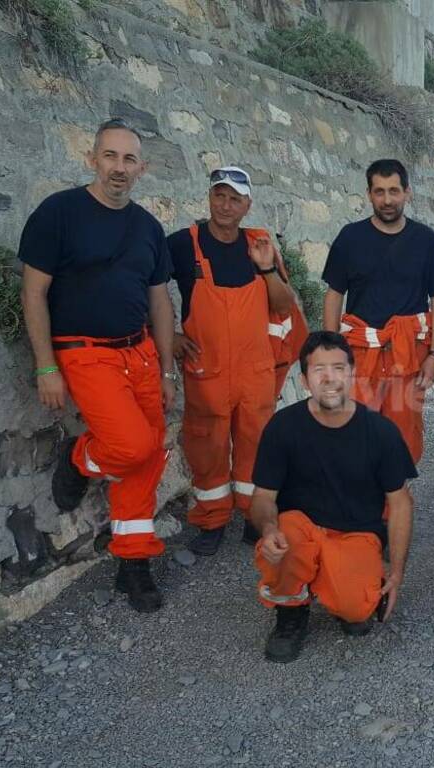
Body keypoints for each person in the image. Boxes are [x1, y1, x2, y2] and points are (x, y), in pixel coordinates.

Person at [19, 118, 175, 613]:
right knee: (132, 446)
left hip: (141, 353)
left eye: (129, 159)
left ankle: (133, 562)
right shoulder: (59, 212)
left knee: (148, 458)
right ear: (92, 158)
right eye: (110, 156)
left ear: (142, 168)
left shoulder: (148, 227)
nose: (119, 168)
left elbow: (160, 304)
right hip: (85, 351)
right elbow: (34, 291)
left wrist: (167, 370)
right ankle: (79, 457)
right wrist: (46, 366)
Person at [251, 332, 417, 663]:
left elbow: (400, 503)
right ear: (303, 380)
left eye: (339, 368)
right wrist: (268, 530)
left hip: (356, 532)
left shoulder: (380, 432)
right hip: (299, 529)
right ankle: (291, 613)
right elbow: (263, 497)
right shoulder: (282, 427)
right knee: (286, 539)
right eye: (319, 370)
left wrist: (396, 573)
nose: (330, 378)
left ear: (353, 374)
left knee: (358, 613)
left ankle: (339, 582)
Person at [168, 167, 302, 556]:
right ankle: (211, 521)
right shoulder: (181, 244)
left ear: (248, 205)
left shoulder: (260, 245)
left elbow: (282, 304)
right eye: (219, 196)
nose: (226, 206)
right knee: (206, 445)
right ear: (209, 198)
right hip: (206, 369)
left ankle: (252, 516)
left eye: (235, 199)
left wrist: (264, 268)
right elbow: (147, 287)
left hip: (254, 369)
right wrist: (170, 336)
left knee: (256, 445)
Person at [321, 159, 434, 464]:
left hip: (407, 359)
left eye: (394, 191)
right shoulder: (350, 238)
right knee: (353, 434)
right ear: (369, 195)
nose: (387, 200)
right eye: (380, 192)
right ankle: (360, 507)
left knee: (403, 439)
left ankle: (396, 505)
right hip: (359, 357)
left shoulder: (426, 241)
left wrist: (433, 356)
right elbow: (334, 294)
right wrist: (329, 351)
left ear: (408, 193)